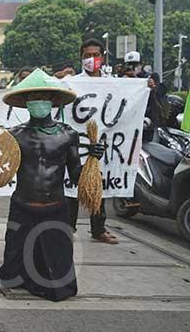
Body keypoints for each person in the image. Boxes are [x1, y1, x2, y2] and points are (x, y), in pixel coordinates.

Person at [0, 69, 106, 301]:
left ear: (53, 101)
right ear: (26, 103)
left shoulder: (67, 134)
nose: (38, 102)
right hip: (22, 205)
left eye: (43, 97)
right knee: (10, 276)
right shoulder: (14, 136)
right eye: (33, 97)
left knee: (60, 285)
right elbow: (0, 172)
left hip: (55, 206)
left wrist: (93, 159)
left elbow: (76, 175)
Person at [69, 38, 119, 243]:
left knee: (101, 186)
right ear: (81, 58)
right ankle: (67, 228)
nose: (91, 59)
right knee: (71, 186)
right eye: (86, 56)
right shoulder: (73, 83)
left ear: (103, 57)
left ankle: (99, 229)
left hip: (104, 144)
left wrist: (147, 86)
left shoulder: (114, 84)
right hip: (79, 145)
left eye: (95, 55)